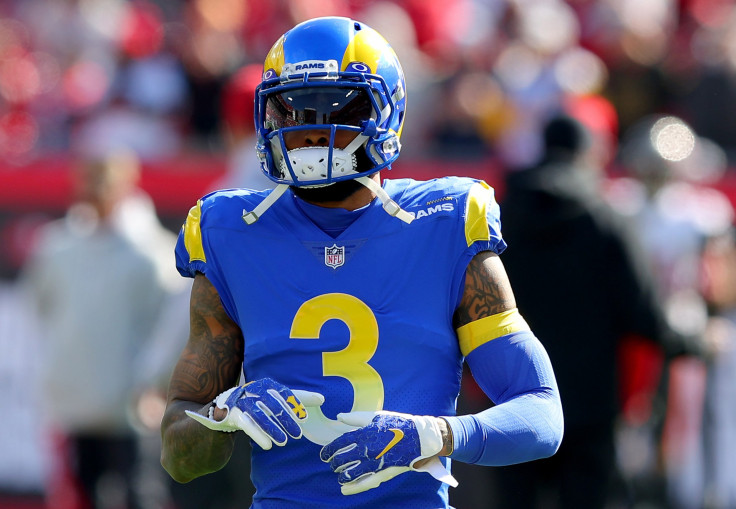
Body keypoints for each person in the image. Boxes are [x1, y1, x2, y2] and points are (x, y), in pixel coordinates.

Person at [160, 16, 564, 508]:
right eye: (292, 111)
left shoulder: (445, 221)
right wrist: (222, 414)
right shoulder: (228, 231)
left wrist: (432, 435)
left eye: (332, 106)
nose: (309, 129)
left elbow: (542, 415)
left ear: (385, 113)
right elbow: (180, 457)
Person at [496, 114, 695, 508]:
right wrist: (694, 342)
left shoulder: (501, 217)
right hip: (590, 405)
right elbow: (643, 314)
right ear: (587, 154)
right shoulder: (606, 220)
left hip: (512, 395)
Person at [23, 151, 176, 509]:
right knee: (84, 493)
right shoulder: (56, 246)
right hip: (77, 401)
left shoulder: (153, 253)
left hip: (132, 402)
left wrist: (158, 386)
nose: (96, 189)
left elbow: (171, 331)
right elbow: (42, 307)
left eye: (105, 179)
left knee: (139, 491)